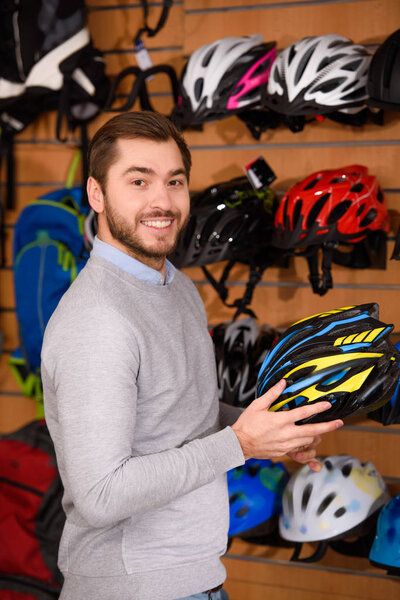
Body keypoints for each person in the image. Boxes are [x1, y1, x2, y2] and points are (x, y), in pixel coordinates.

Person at [41, 111, 343, 600]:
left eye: (174, 181)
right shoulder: (97, 320)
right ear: (96, 194)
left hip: (195, 579)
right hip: (132, 590)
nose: (162, 201)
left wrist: (263, 430)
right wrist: (240, 445)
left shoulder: (173, 287)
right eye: (138, 181)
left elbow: (177, 411)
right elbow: (100, 495)